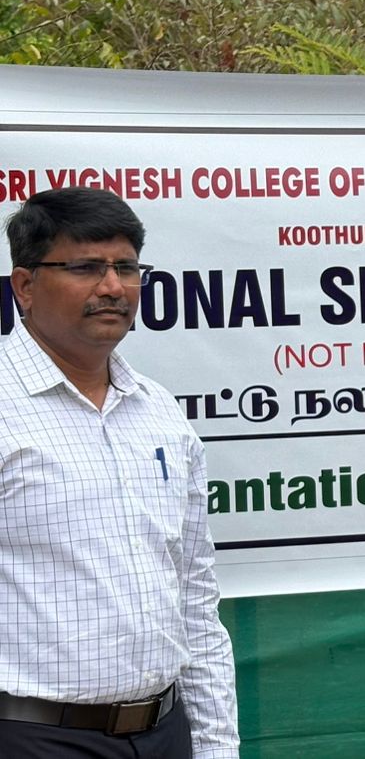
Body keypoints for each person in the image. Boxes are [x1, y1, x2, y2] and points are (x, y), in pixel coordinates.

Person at [0, 188, 239, 759]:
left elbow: (195, 598)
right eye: (86, 267)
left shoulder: (159, 411)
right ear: (25, 286)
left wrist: (215, 746)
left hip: (165, 732)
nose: (112, 287)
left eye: (127, 268)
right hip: (31, 737)